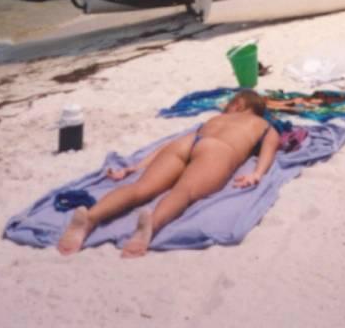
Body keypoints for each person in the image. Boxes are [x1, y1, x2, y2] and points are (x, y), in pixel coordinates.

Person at [57, 90, 280, 258]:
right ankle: (150, 226)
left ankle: (90, 218)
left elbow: (166, 146)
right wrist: (257, 174)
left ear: (238, 104)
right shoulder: (264, 125)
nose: (224, 110)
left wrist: (137, 166)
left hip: (188, 142)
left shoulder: (213, 120)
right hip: (219, 149)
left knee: (140, 188)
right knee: (184, 191)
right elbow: (269, 150)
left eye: (227, 106)